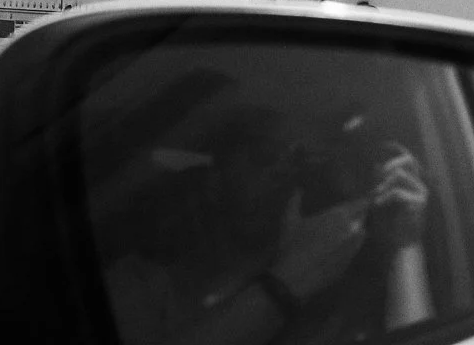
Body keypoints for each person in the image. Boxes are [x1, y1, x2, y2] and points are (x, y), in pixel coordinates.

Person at [102, 101, 431, 345]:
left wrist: (405, 242)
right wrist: (287, 283)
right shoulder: (138, 286)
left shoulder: (334, 293)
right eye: (264, 155)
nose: (283, 171)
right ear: (215, 182)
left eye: (297, 160)